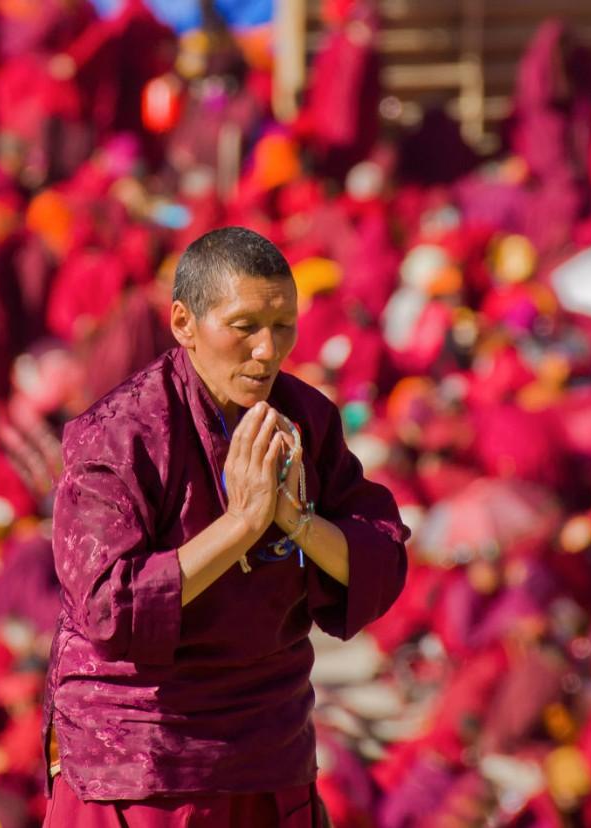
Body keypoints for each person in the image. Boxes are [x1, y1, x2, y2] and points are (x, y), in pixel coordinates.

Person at [41, 226, 410, 827]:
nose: (267, 350)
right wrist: (241, 524)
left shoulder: (305, 419)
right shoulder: (121, 434)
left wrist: (296, 520)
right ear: (184, 323)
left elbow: (380, 559)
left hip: (269, 747)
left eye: (283, 326)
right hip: (142, 760)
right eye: (244, 327)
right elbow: (109, 608)